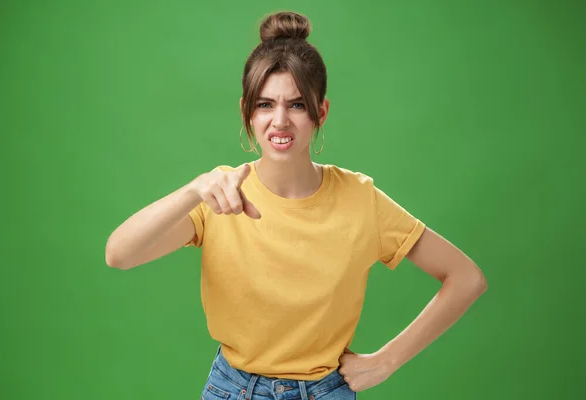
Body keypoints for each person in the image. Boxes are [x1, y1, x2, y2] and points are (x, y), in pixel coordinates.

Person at [105, 11, 487, 399]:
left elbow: (466, 277)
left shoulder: (359, 198)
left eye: (298, 105)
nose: (280, 121)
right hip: (231, 389)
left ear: (321, 112)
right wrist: (193, 190)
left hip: (325, 391)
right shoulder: (220, 194)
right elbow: (119, 253)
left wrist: (386, 361)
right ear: (247, 113)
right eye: (265, 105)